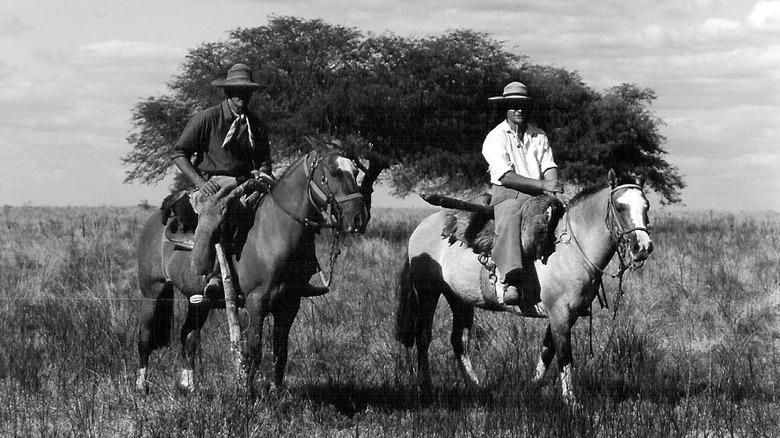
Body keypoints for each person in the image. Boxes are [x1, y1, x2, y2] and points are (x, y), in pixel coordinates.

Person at [171, 63, 326, 300]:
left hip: (248, 182)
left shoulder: (256, 125)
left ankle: (302, 273)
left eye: (247, 92)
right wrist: (201, 183)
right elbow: (179, 153)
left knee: (294, 213)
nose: (242, 96)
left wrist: (263, 172)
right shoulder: (206, 119)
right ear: (227, 92)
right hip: (214, 184)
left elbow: (264, 160)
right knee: (214, 216)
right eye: (237, 91)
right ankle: (210, 276)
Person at [481, 81, 563, 316]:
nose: (519, 110)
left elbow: (549, 165)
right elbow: (505, 176)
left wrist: (554, 189)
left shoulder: (539, 135)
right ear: (505, 108)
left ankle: (571, 282)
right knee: (511, 214)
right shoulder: (495, 137)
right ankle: (511, 278)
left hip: (540, 193)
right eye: (513, 106)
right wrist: (543, 185)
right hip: (509, 192)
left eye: (522, 106)